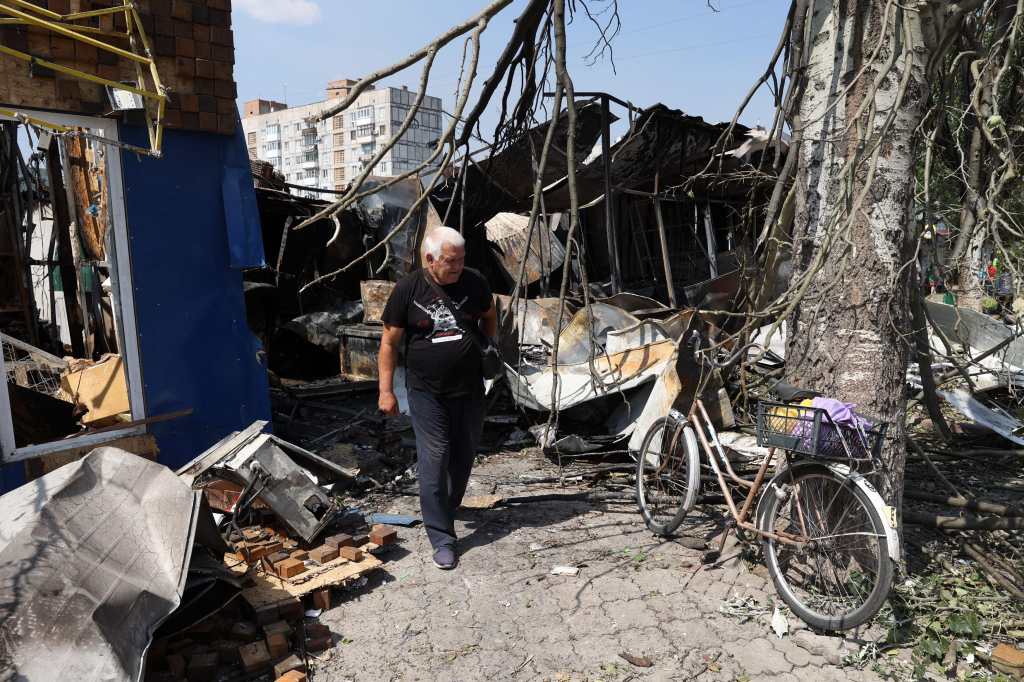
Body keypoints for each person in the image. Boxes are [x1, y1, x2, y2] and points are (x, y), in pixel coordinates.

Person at [377, 226, 497, 570]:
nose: (457, 266)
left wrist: (487, 347)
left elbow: (489, 315)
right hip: (426, 392)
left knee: (462, 456)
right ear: (429, 259)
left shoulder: (475, 282)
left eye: (461, 260)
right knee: (435, 456)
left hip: (470, 389)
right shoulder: (407, 289)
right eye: (450, 261)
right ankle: (442, 536)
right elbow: (389, 343)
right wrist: (386, 391)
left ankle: (447, 505)